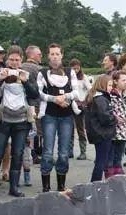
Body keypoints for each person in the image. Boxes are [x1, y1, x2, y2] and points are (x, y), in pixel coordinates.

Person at [0, 45, 39, 197]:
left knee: (18, 153)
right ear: (7, 60)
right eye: (11, 59)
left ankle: (14, 187)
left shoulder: (26, 74)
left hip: (21, 121)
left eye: (17, 60)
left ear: (21, 60)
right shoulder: (0, 72)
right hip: (2, 120)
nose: (14, 63)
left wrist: (26, 82)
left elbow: (35, 94)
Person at [37, 43, 80, 192]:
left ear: (62, 55)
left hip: (66, 116)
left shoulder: (70, 72)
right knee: (48, 152)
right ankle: (46, 187)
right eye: (52, 54)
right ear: (48, 56)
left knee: (63, 153)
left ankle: (61, 185)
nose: (55, 56)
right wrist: (55, 99)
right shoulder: (42, 73)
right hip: (49, 115)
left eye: (57, 54)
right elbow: (39, 94)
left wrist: (64, 97)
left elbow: (76, 92)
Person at [84, 75, 116, 182]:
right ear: (103, 85)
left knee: (100, 160)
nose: (111, 87)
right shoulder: (101, 99)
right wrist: (115, 118)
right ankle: (95, 183)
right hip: (103, 133)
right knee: (101, 161)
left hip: (97, 133)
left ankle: (95, 183)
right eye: (110, 85)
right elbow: (105, 118)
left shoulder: (94, 97)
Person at [108, 71, 126, 177]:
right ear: (115, 81)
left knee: (118, 160)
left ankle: (117, 182)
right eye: (123, 80)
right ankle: (108, 183)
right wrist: (115, 118)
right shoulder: (110, 95)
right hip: (112, 132)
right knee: (109, 161)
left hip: (123, 133)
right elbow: (106, 112)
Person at [20, 45, 43, 164]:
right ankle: (36, 154)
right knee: (36, 130)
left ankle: (25, 153)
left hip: (21, 103)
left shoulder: (20, 67)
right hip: (35, 104)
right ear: (32, 55)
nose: (41, 56)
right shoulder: (39, 69)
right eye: (39, 54)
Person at [69, 58, 91, 160]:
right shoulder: (68, 77)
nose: (76, 70)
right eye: (74, 68)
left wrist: (85, 101)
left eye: (77, 68)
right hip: (70, 104)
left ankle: (83, 151)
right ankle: (69, 150)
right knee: (69, 129)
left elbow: (90, 90)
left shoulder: (83, 77)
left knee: (80, 128)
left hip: (80, 105)